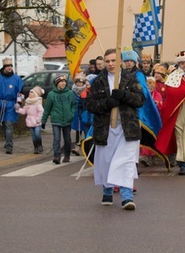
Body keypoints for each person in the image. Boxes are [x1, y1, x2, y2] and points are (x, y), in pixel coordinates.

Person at [86, 48, 145, 210]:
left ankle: (127, 196)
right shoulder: (98, 81)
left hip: (127, 128)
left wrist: (124, 96)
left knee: (125, 161)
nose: (111, 64)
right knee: (106, 161)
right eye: (108, 61)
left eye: (114, 60)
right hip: (106, 128)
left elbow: (141, 99)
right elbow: (90, 104)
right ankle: (107, 190)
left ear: (120, 61)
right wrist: (107, 104)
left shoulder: (130, 79)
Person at [0, 57, 25, 154]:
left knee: (8, 124)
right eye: (7, 66)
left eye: (10, 66)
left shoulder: (17, 79)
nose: (9, 68)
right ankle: (7, 139)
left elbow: (21, 92)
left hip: (11, 104)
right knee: (1, 125)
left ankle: (9, 146)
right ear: (4, 67)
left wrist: (19, 103)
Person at [41, 74, 77, 163]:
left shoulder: (70, 93)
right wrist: (44, 120)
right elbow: (47, 108)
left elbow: (74, 105)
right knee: (56, 138)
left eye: (64, 81)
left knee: (67, 139)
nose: (63, 83)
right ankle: (57, 156)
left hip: (67, 120)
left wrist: (71, 114)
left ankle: (67, 155)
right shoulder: (51, 94)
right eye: (61, 82)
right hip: (56, 120)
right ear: (57, 83)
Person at [16, 87, 44, 153]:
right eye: (29, 92)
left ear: (35, 94)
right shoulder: (27, 102)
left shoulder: (38, 103)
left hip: (37, 122)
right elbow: (24, 111)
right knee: (33, 136)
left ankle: (40, 145)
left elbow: (41, 112)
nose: (30, 93)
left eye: (32, 92)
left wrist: (38, 119)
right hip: (30, 122)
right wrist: (18, 109)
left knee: (37, 134)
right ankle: (36, 148)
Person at [71, 73, 88, 153]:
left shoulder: (86, 91)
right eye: (77, 82)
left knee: (86, 129)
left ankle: (85, 146)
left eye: (81, 82)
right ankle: (77, 145)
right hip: (76, 112)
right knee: (78, 129)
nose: (79, 83)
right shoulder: (72, 92)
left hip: (85, 112)